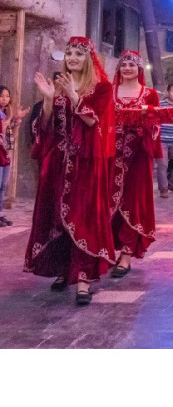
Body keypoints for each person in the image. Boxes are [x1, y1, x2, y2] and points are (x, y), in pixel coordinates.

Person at [24, 37, 116, 305]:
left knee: (83, 217)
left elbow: (92, 121)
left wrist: (75, 95)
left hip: (85, 165)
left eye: (78, 53)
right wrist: (50, 100)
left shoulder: (101, 88)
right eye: (69, 53)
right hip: (57, 163)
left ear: (88, 57)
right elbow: (46, 127)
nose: (72, 58)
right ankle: (64, 270)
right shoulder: (59, 86)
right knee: (56, 218)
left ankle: (84, 278)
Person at [109, 51, 173, 278]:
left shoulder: (150, 95)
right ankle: (106, 251)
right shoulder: (109, 92)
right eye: (123, 64)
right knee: (107, 203)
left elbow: (156, 126)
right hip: (110, 157)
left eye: (132, 64)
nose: (127, 68)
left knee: (132, 203)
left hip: (137, 158)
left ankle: (125, 255)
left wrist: (146, 121)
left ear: (139, 69)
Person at [0, 85, 30, 227]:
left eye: (7, 96)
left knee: (2, 186)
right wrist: (11, 117)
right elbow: (3, 128)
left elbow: (12, 137)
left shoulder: (5, 114)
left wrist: (17, 122)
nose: (5, 99)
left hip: (5, 155)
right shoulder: (4, 116)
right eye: (2, 96)